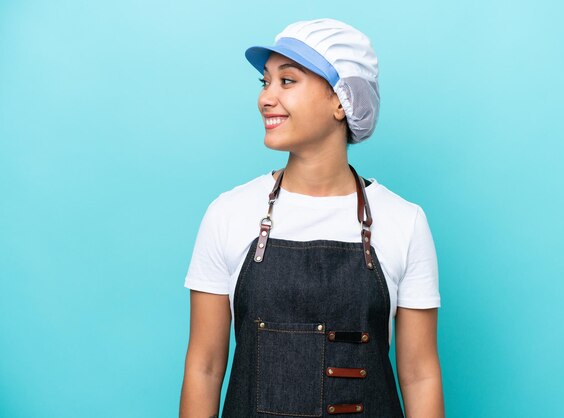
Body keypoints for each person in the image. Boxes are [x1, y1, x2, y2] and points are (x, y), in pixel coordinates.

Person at [179, 18, 444, 418]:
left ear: (342, 100)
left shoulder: (404, 221)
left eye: (287, 81)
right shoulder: (228, 214)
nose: (266, 98)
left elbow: (420, 374)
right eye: (265, 82)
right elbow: (204, 367)